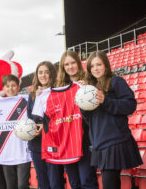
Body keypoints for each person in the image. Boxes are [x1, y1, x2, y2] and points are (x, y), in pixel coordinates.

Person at [81, 51, 142, 189]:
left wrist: (106, 101)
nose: (96, 68)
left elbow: (130, 105)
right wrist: (83, 106)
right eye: (92, 66)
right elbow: (89, 120)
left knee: (109, 184)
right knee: (112, 184)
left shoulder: (116, 81)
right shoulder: (89, 89)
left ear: (106, 66)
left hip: (115, 141)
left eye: (99, 64)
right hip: (99, 143)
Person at [55, 50, 99, 189]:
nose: (70, 67)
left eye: (73, 62)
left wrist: (87, 89)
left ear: (79, 64)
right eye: (67, 64)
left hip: (85, 140)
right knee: (74, 183)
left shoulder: (90, 81)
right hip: (67, 142)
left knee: (87, 180)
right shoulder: (58, 89)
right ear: (63, 67)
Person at [27, 61, 65, 189]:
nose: (43, 75)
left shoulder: (59, 92)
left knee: (55, 182)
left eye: (46, 72)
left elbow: (61, 117)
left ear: (52, 74)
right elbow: (30, 118)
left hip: (54, 143)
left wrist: (46, 127)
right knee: (42, 182)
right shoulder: (32, 95)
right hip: (37, 144)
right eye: (40, 72)